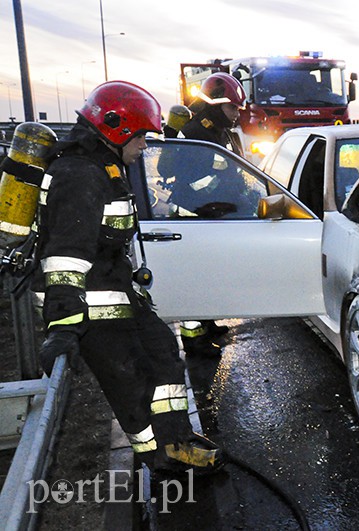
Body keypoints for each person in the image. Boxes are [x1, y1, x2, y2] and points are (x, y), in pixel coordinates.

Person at [33, 81, 226, 476]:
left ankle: (176, 442)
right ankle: (156, 456)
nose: (145, 147)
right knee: (130, 381)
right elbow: (66, 255)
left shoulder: (105, 166)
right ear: (117, 129)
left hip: (116, 291)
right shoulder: (79, 175)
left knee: (164, 358)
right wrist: (64, 326)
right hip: (85, 306)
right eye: (141, 138)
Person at [172, 72, 247, 357]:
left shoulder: (218, 130)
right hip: (192, 215)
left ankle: (208, 323)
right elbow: (191, 178)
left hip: (211, 213)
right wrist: (222, 190)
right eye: (232, 108)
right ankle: (194, 341)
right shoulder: (196, 132)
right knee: (193, 279)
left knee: (208, 275)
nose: (236, 114)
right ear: (217, 105)